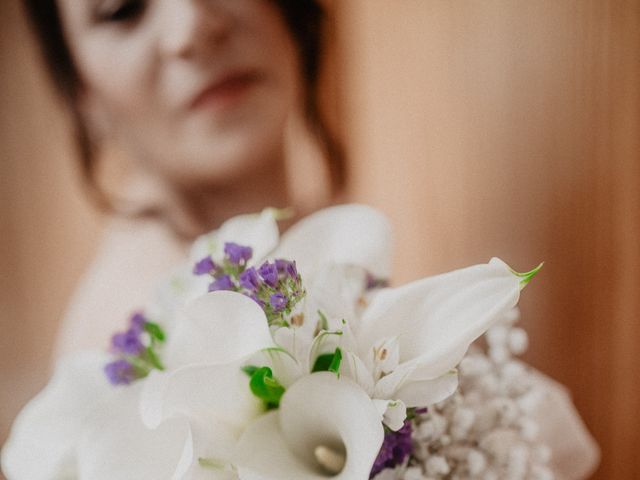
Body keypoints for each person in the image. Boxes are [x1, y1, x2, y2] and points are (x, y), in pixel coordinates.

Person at [22, 0, 343, 355]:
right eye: (123, 9)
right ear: (81, 89)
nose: (193, 28)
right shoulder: (146, 336)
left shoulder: (330, 244)